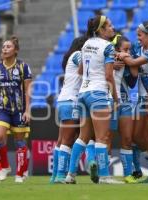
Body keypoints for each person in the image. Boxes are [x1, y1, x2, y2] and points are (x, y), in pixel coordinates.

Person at [65, 15, 123, 184]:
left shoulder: (86, 44)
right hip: (98, 93)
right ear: (101, 30)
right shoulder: (108, 47)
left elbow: (81, 70)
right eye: (110, 26)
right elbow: (108, 76)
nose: (113, 28)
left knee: (82, 137)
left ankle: (70, 175)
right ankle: (104, 176)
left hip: (83, 93)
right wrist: (116, 98)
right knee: (102, 137)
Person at [117, 20, 148, 183]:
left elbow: (132, 63)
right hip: (141, 97)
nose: (137, 38)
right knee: (137, 137)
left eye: (140, 35)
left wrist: (123, 56)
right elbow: (131, 65)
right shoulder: (139, 48)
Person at [0, 36, 32, 183]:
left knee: (20, 143)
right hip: (2, 110)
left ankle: (20, 173)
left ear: (15, 50)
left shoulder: (23, 67)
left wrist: (27, 110)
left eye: (8, 46)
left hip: (19, 110)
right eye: (4, 46)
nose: (4, 49)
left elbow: (28, 90)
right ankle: (4, 167)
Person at [50, 36, 88, 183]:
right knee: (68, 139)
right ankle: (60, 175)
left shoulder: (71, 56)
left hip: (63, 100)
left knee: (61, 140)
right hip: (71, 100)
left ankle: (54, 177)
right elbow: (85, 69)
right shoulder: (78, 55)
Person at [112, 35, 138, 183]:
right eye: (125, 49)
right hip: (109, 102)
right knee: (106, 138)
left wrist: (132, 63)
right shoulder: (107, 59)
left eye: (129, 49)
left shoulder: (127, 62)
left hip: (125, 102)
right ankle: (102, 172)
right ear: (117, 49)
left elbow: (132, 82)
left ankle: (128, 174)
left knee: (127, 138)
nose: (128, 52)